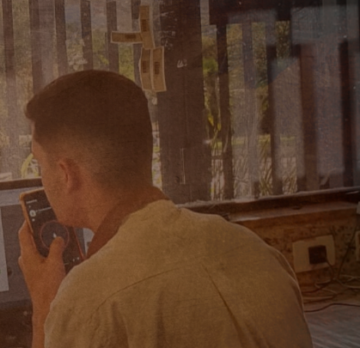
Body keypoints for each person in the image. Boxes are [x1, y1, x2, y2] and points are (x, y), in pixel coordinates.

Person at [17, 70, 312, 348]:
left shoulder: (88, 299)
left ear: (66, 174)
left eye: (40, 165)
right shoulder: (260, 253)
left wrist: (45, 309)